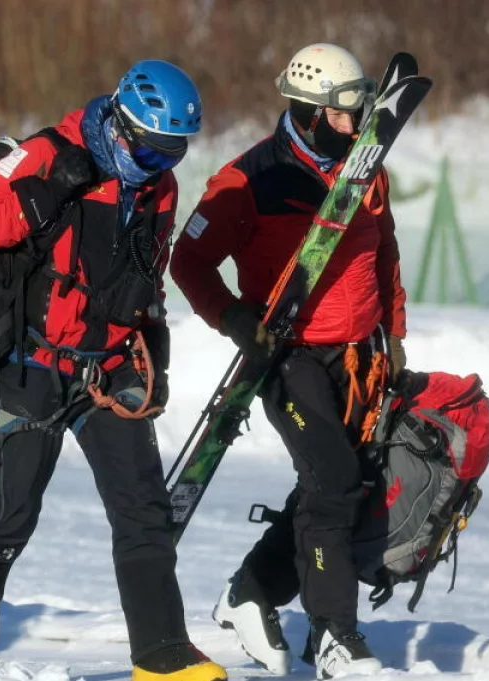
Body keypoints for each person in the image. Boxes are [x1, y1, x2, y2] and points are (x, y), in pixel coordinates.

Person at [0, 60, 226, 681]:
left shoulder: (160, 188)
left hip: (109, 369)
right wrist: (48, 191)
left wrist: (155, 349)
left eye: (173, 153)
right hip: (31, 363)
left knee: (145, 511)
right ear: (121, 124)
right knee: (13, 512)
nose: (159, 165)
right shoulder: (46, 152)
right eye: (151, 150)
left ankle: (162, 654)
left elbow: (148, 277)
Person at [169, 43, 407, 679]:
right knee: (332, 480)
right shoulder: (250, 179)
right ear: (307, 112)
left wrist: (395, 335)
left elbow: (383, 253)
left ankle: (251, 590)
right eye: (343, 113)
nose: (356, 125)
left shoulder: (368, 167)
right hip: (287, 357)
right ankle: (335, 636)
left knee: (334, 484)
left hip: (359, 358)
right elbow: (187, 262)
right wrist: (232, 317)